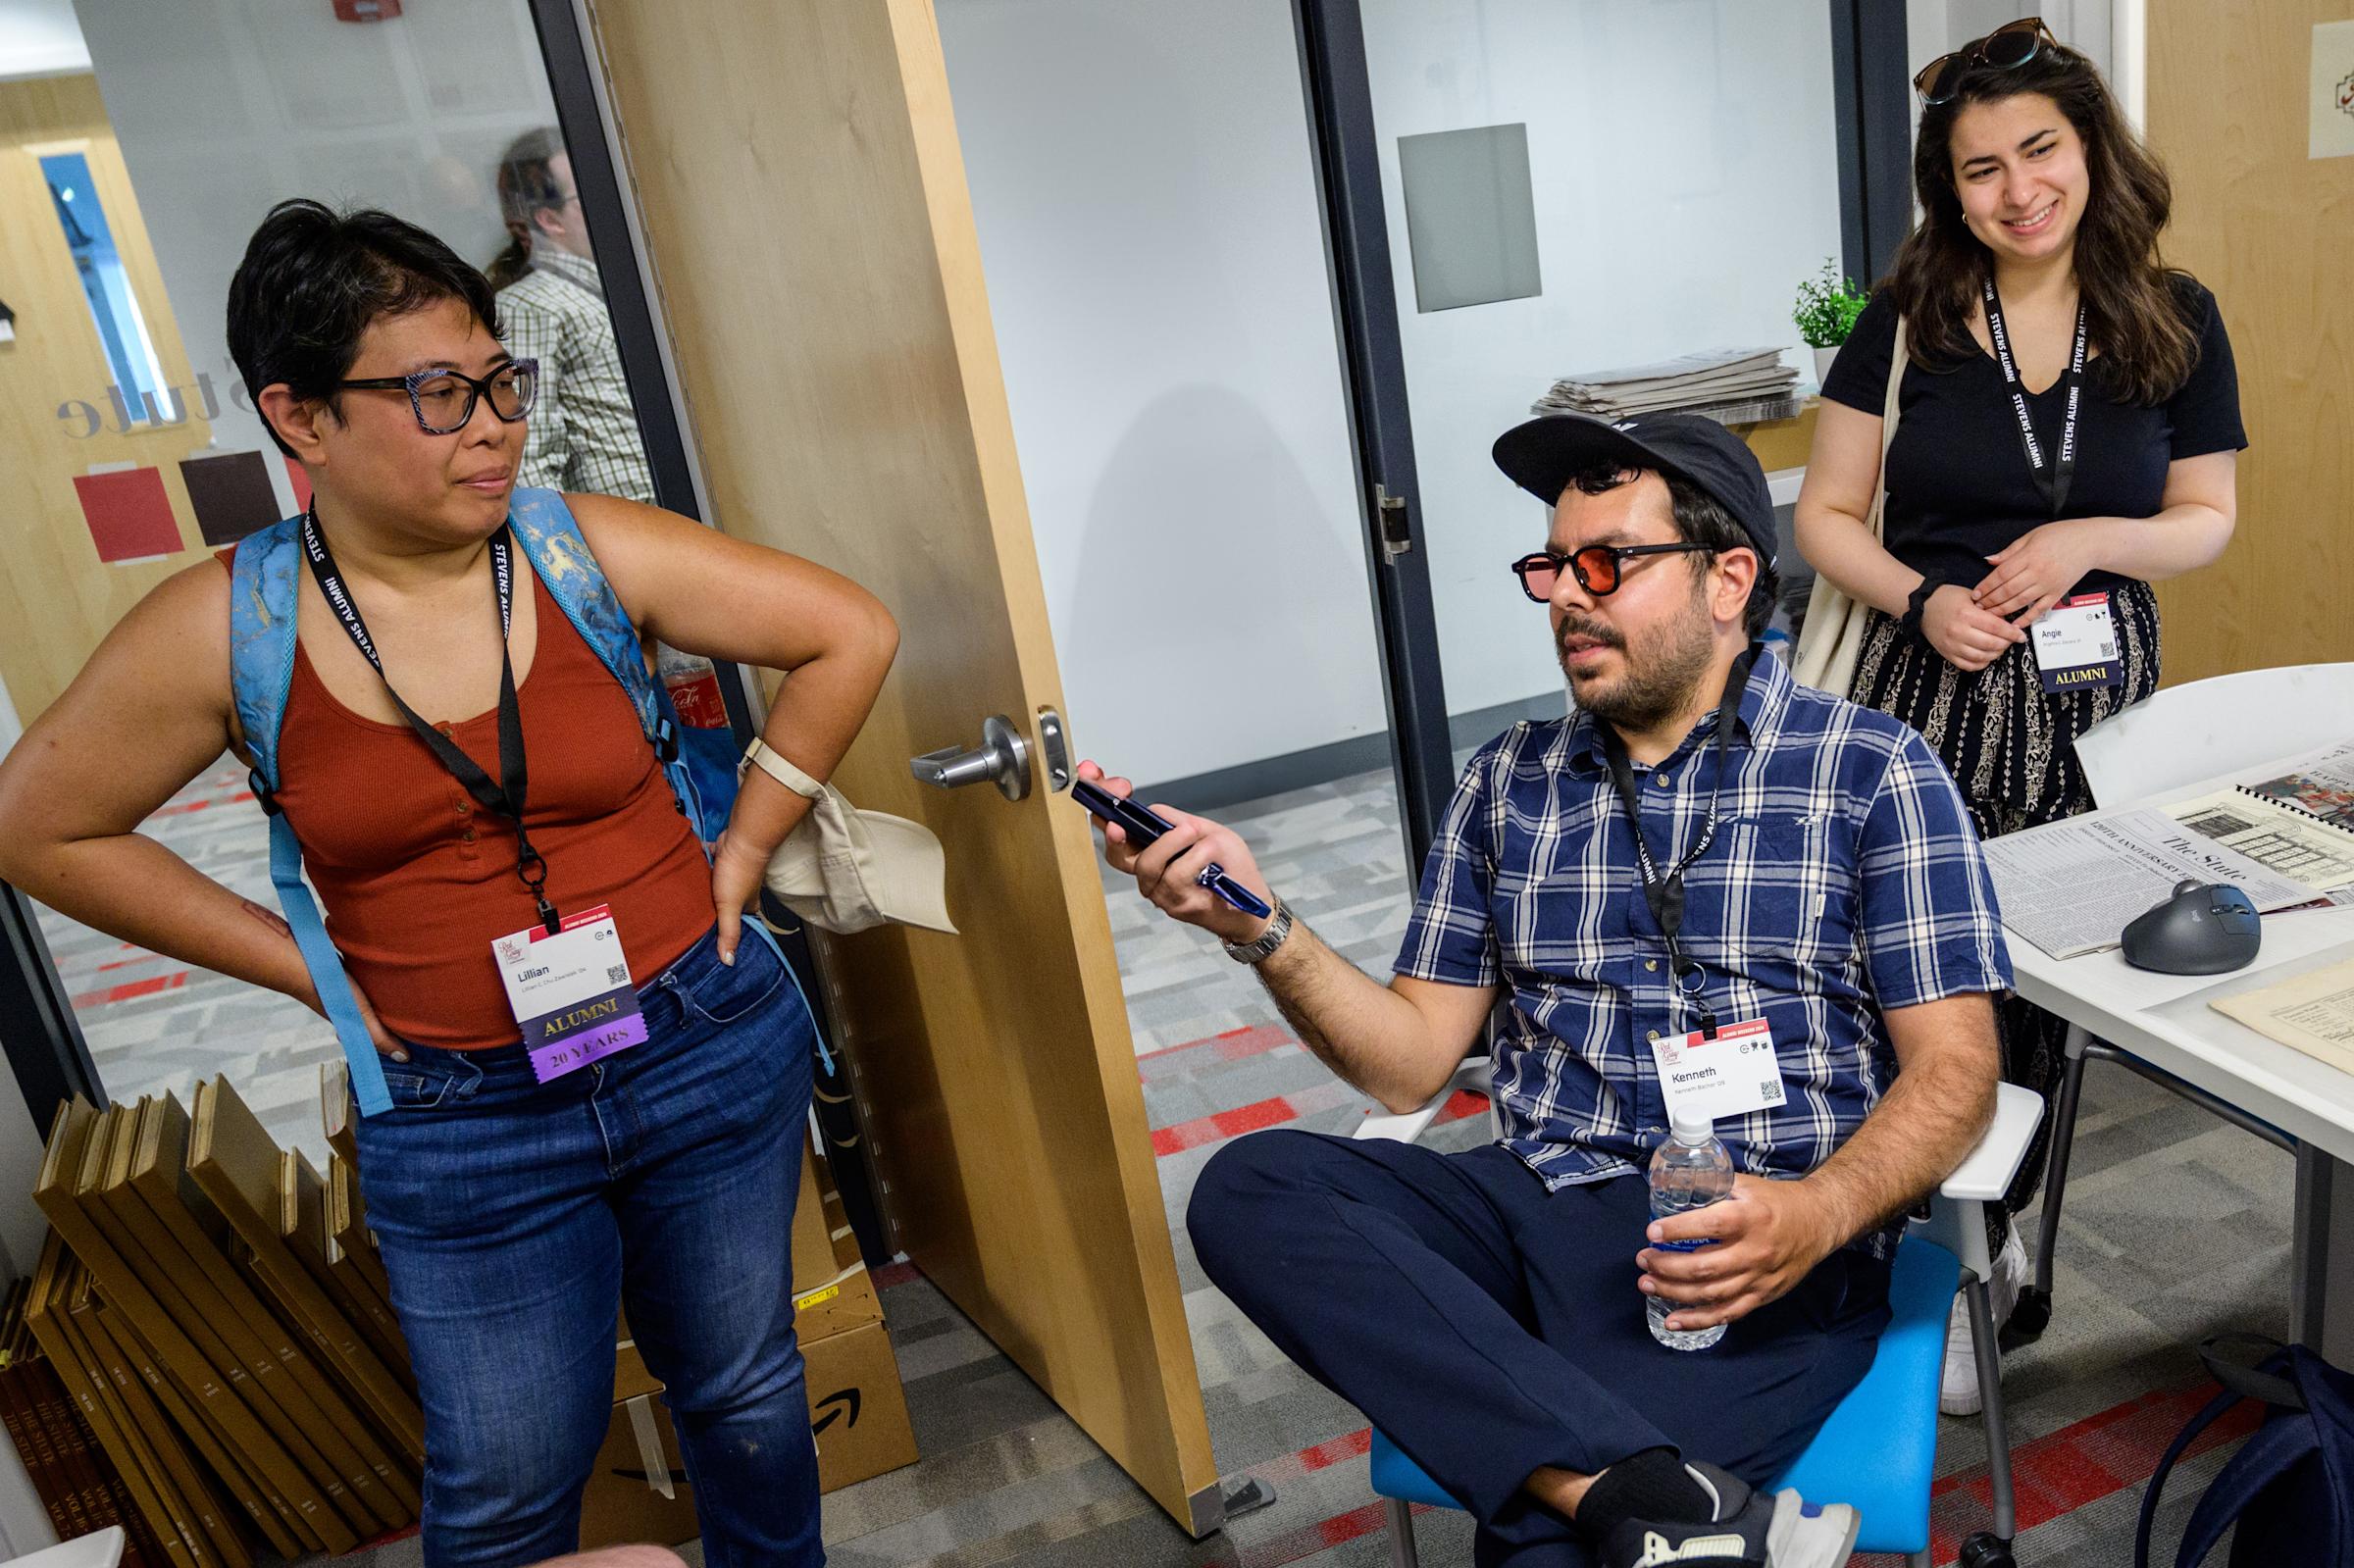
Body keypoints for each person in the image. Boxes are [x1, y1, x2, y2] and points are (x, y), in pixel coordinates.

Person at [0, 201, 899, 1566]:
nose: (492, 422)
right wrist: (308, 968)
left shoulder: (576, 548)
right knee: (499, 1489)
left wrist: (743, 845)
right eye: (436, 392)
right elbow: (42, 828)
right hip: (457, 1112)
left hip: (700, 1045)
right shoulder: (225, 625)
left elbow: (848, 630)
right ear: (300, 419)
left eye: (499, 382)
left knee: (746, 1389)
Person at [1086, 412, 2010, 1568]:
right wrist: (1259, 927)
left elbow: (1960, 1069)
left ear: (1729, 580)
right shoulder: (1508, 783)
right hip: (1537, 1201)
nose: (1568, 597)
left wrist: (1817, 1217)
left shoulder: (1871, 771)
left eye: (1607, 564)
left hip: (1751, 1242)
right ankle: (1651, 1498)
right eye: (1553, 568)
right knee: (1250, 1185)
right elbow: (1411, 1061)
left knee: (1538, 1557)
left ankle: (1607, 1503)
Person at [1793, 18, 2243, 1413]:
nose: (2017, 188)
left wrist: (2090, 536)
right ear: (1953, 188)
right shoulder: (1906, 320)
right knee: (1924, 978)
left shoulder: (2175, 316)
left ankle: (2000, 1251)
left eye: (2040, 150)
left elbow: (2207, 521)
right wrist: (1923, 598)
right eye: (1980, 167)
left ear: (2093, 150)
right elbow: (1820, 515)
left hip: (2097, 709)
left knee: (2058, 984)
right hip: (1934, 697)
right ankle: (1899, 1243)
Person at [487, 127, 656, 504]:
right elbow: (527, 459)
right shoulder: (531, 305)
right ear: (550, 220)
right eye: (586, 194)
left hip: (672, 520)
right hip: (628, 536)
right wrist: (566, 558)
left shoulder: (622, 290)